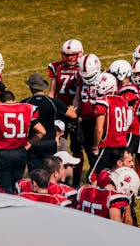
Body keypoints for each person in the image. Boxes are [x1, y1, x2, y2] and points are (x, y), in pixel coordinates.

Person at [0, 91, 46, 194]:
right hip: (20, 152)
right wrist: (29, 143)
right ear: (14, 100)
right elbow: (42, 132)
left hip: (3, 153)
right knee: (16, 186)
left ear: (0, 101)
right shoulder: (26, 108)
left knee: (3, 188)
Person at [21, 73, 77, 172]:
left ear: (30, 87)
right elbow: (73, 115)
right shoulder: (53, 102)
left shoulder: (25, 103)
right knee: (50, 172)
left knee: (35, 174)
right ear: (43, 87)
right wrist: (71, 109)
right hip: (50, 143)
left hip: (33, 142)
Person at [47, 39, 83, 185]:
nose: (69, 58)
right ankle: (58, 178)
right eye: (66, 55)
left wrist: (74, 111)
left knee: (76, 148)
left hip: (74, 113)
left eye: (72, 55)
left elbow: (79, 95)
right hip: (60, 112)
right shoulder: (57, 67)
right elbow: (52, 92)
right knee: (57, 145)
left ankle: (76, 180)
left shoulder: (82, 68)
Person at [89, 72, 133, 181]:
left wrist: (95, 146)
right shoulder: (123, 101)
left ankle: (94, 197)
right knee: (120, 175)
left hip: (108, 144)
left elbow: (99, 129)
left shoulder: (103, 102)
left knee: (93, 176)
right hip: (122, 143)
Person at [72, 53, 102, 187]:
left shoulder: (105, 78)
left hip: (99, 120)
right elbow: (78, 97)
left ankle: (99, 179)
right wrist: (73, 113)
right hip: (85, 120)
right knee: (89, 151)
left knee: (99, 151)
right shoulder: (80, 78)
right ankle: (95, 176)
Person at [108, 60, 140, 155]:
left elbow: (129, 115)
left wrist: (121, 130)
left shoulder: (129, 90)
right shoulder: (119, 87)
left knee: (124, 158)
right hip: (121, 130)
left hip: (129, 131)